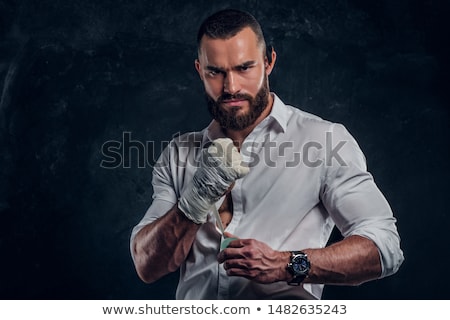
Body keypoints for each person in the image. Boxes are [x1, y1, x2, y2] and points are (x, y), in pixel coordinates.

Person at [130, 8, 404, 299]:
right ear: (200, 70)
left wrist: (287, 265)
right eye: (216, 72)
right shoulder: (179, 153)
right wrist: (195, 200)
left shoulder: (325, 140)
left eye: (244, 68)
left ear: (268, 61)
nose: (231, 86)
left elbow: (384, 247)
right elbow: (147, 265)